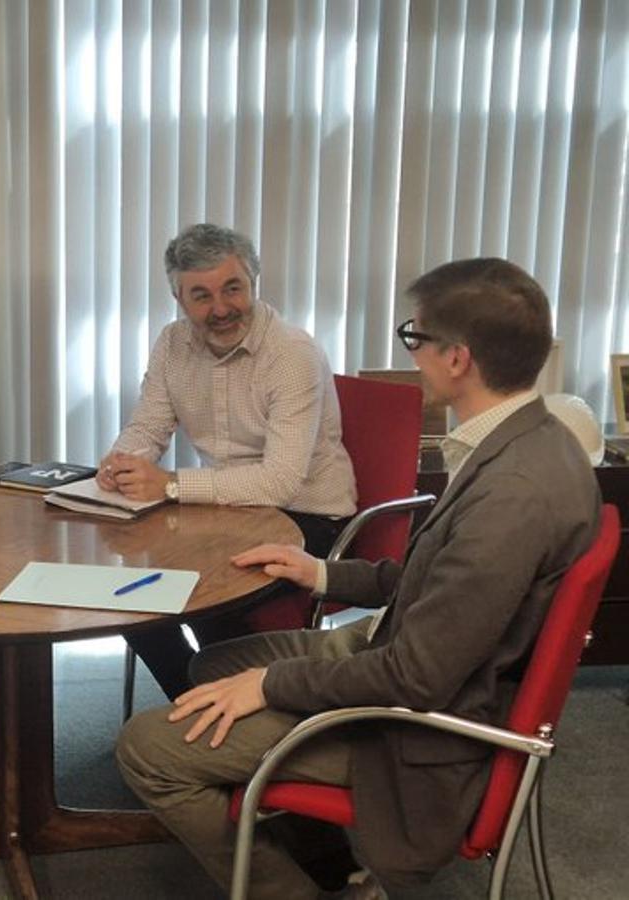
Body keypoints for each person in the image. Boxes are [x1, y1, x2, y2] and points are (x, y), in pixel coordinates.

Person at [116, 258, 601, 898]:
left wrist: (272, 685)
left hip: (420, 731)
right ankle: (310, 836)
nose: (412, 352)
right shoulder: (529, 440)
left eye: (415, 337)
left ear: (456, 358)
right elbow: (440, 582)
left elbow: (416, 677)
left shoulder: (514, 493)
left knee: (147, 749)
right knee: (214, 670)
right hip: (417, 664)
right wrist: (321, 573)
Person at [99, 223, 357, 700]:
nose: (220, 309)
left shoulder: (291, 354)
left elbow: (279, 482)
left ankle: (228, 707)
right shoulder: (173, 343)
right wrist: (124, 461)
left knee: (208, 590)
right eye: (201, 295)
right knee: (127, 592)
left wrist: (170, 486)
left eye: (232, 289)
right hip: (227, 511)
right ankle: (196, 700)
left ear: (254, 282)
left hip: (309, 516)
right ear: (179, 299)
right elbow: (149, 426)